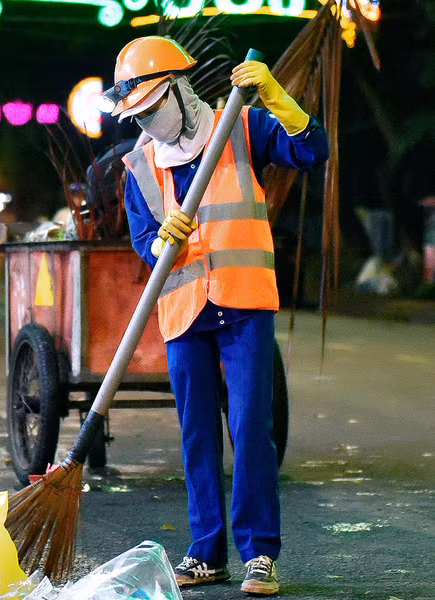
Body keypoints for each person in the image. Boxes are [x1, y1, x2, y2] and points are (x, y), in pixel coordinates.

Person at [99, 37, 328, 595]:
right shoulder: (140, 163)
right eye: (139, 115)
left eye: (155, 109)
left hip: (244, 301)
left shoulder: (244, 128)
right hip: (184, 311)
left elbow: (313, 150)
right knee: (197, 434)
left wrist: (278, 98)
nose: (149, 123)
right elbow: (141, 238)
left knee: (251, 426)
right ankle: (207, 553)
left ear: (180, 89)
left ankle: (259, 555)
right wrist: (159, 246)